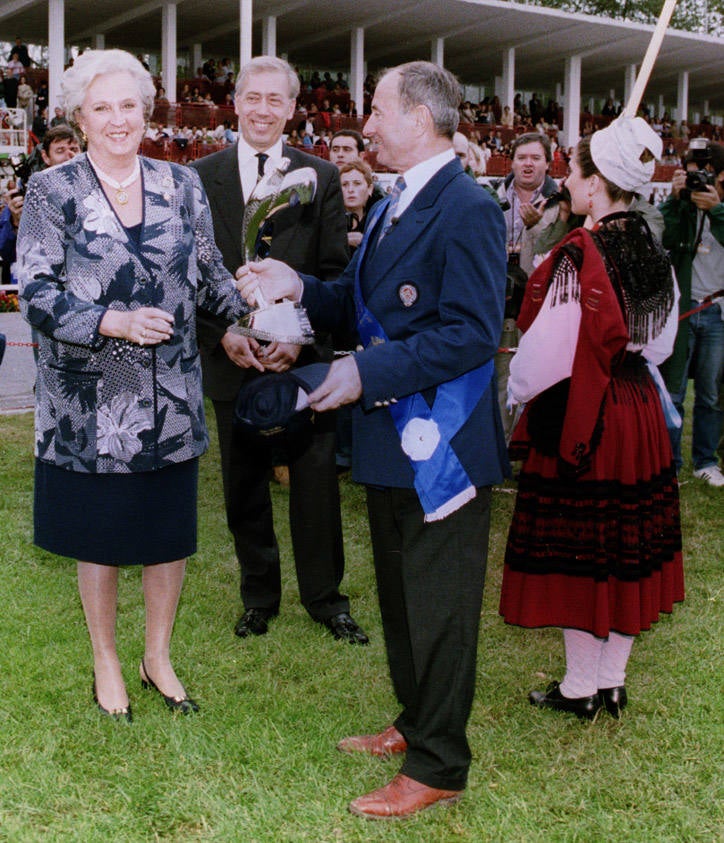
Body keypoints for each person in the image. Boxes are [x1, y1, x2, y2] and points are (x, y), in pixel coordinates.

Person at [238, 60, 508, 820]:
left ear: (420, 119)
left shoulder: (468, 207)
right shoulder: (395, 202)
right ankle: (414, 720)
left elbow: (472, 334)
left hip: (443, 445)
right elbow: (358, 303)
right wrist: (296, 284)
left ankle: (440, 764)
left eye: (379, 111)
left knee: (442, 604)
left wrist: (362, 372)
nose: (367, 125)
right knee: (400, 594)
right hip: (392, 438)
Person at [15, 49, 250, 722]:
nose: (118, 120)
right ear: (78, 117)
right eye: (101, 107)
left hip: (170, 391)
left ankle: (157, 655)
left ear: (145, 111)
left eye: (129, 105)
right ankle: (106, 660)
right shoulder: (50, 190)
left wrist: (251, 314)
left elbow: (207, 268)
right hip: (93, 395)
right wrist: (110, 319)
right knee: (102, 534)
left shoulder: (180, 184)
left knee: (164, 532)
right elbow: (34, 291)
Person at [499, 117, 684, 720]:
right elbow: (659, 345)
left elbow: (544, 354)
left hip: (589, 411)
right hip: (638, 408)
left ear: (595, 183)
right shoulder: (653, 249)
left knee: (582, 549)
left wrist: (517, 393)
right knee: (625, 545)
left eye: (574, 172)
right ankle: (612, 681)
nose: (567, 181)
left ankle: (582, 686)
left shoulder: (580, 251)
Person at [190, 56, 368, 645]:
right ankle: (258, 596)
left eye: (276, 99)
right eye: (253, 97)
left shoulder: (320, 176)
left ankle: (326, 600)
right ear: (235, 102)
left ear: (293, 109)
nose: (263, 109)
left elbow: (335, 275)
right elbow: (190, 274)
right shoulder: (199, 177)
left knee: (315, 485)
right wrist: (225, 333)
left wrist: (298, 339)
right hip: (231, 358)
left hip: (304, 362)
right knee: (243, 487)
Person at [493, 132, 573, 442]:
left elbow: (562, 252)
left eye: (535, 158)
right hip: (497, 301)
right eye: (522, 157)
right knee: (499, 376)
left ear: (548, 163)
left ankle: (526, 448)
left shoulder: (563, 205)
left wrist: (536, 229)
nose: (528, 164)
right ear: (510, 161)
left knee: (534, 374)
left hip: (541, 305)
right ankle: (499, 445)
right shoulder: (491, 197)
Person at [659, 140, 724, 487]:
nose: (701, 177)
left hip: (716, 310)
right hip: (683, 311)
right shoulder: (679, 206)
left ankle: (706, 461)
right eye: (694, 170)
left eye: (707, 170)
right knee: (675, 391)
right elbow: (661, 235)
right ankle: (669, 462)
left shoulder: (722, 208)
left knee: (711, 394)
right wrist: (674, 199)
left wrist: (717, 210)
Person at [0, 125, 81, 286]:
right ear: (45, 157)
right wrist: (16, 223)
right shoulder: (30, 193)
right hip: (47, 287)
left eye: (74, 149)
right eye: (60, 151)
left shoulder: (97, 191)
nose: (69, 156)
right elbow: (6, 252)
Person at [339, 160, 374, 251]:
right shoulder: (327, 223)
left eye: (357, 184)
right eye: (344, 184)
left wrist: (367, 243)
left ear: (370, 189)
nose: (350, 190)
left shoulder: (377, 223)